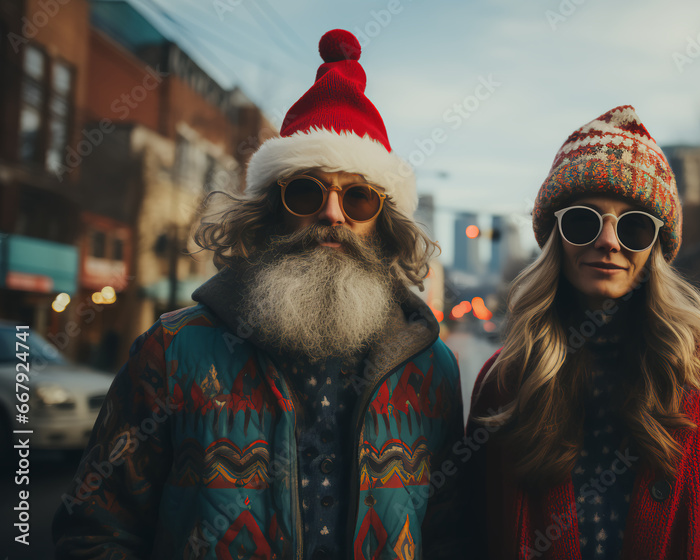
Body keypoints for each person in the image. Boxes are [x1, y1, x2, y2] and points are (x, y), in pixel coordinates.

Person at [53, 30, 464, 560]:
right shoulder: (173, 351)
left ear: (383, 224)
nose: (332, 214)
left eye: (359, 197)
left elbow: (455, 535)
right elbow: (93, 529)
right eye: (305, 191)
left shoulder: (433, 370)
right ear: (271, 210)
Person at [465, 106, 700, 559]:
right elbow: (472, 534)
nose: (608, 240)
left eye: (635, 225)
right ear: (556, 240)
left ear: (657, 248)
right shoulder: (503, 381)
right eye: (583, 220)